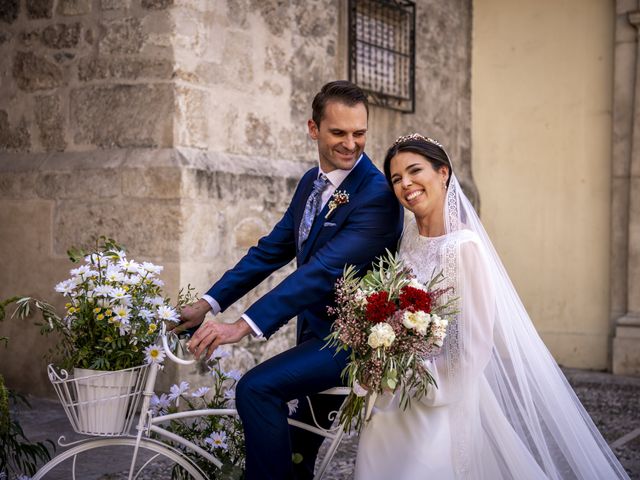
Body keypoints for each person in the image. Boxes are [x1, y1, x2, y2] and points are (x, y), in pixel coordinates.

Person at [354, 133, 630, 479]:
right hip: (392, 393)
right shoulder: (408, 236)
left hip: (437, 399)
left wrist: (422, 383)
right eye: (396, 178)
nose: (405, 184)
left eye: (414, 171)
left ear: (443, 173)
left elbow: (476, 344)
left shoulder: (465, 247)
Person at [177, 80, 403, 480]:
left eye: (359, 133)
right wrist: (208, 303)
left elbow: (323, 271)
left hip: (351, 344)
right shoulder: (310, 184)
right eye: (339, 132)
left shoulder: (377, 195)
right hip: (315, 336)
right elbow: (270, 251)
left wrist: (241, 327)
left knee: (256, 388)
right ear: (313, 129)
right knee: (297, 454)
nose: (351, 143)